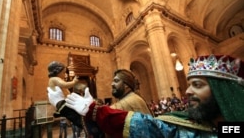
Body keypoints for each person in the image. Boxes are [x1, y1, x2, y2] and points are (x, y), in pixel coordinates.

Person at [48, 54, 244, 138]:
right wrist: (71, 108)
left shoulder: (131, 101)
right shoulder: (203, 123)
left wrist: (83, 109)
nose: (187, 91)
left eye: (197, 85)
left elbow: (103, 128)